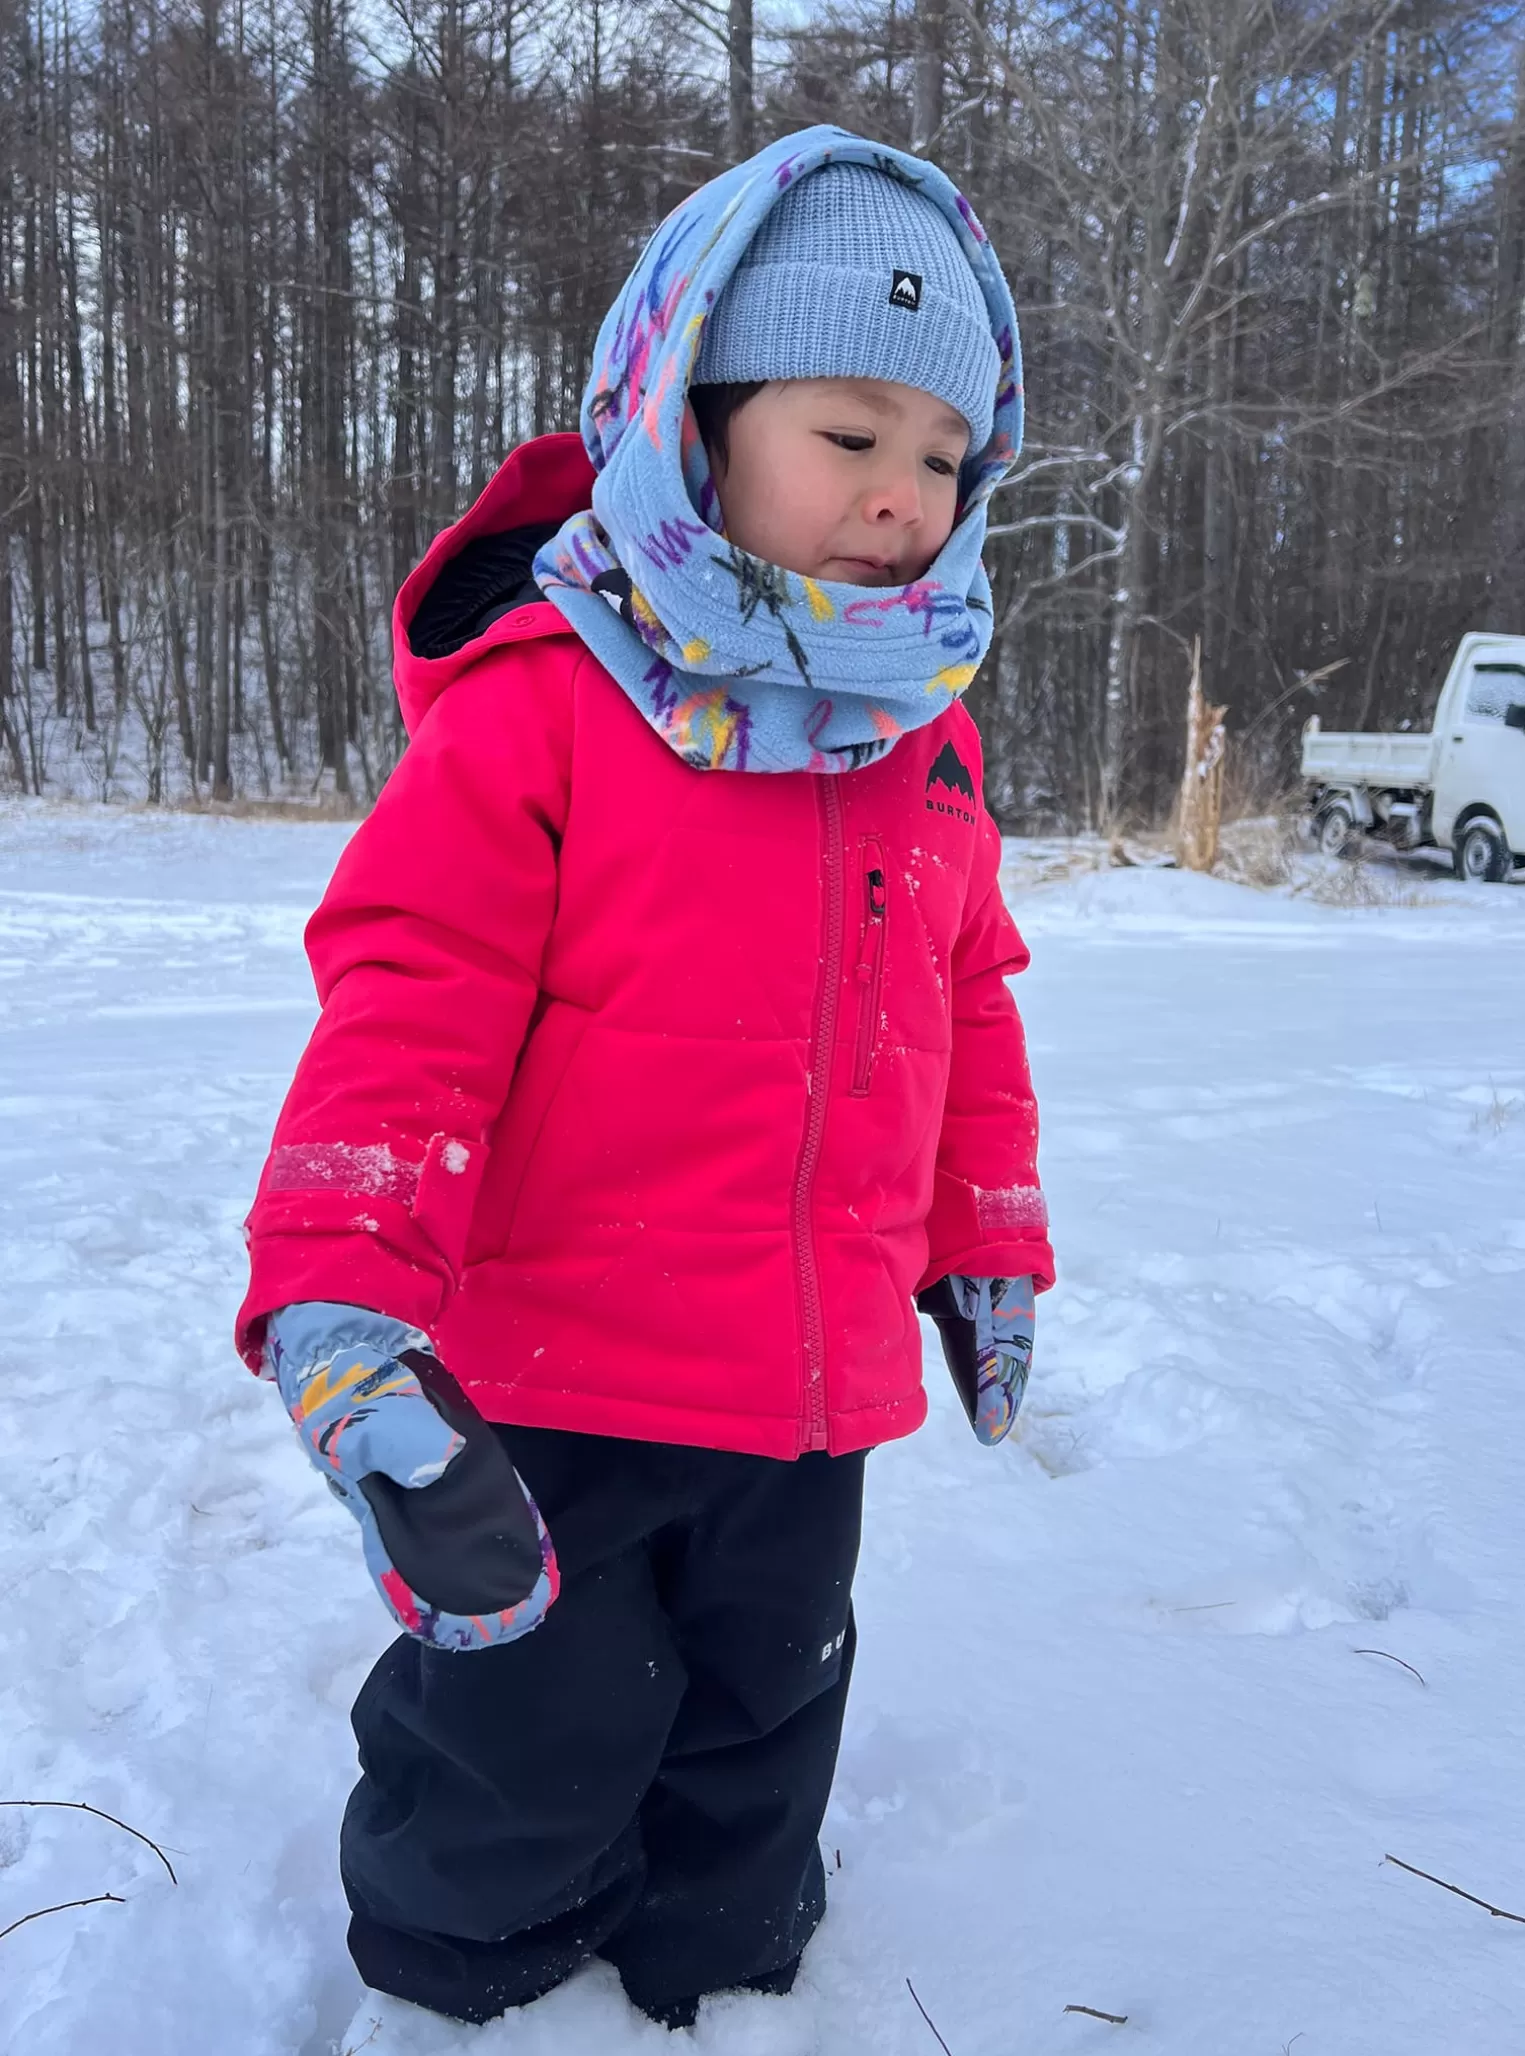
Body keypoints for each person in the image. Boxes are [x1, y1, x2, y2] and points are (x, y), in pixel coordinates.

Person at [236, 123, 1055, 2034]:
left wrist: (984, 1237)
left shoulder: (926, 744)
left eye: (945, 459)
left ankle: (724, 1966)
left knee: (768, 1699)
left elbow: (971, 1002)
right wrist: (345, 1302)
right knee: (533, 1713)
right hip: (559, 1380)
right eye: (850, 437)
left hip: (809, 1384)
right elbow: (406, 995)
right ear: (689, 413)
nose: (902, 500)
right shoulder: (549, 705)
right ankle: (469, 1976)